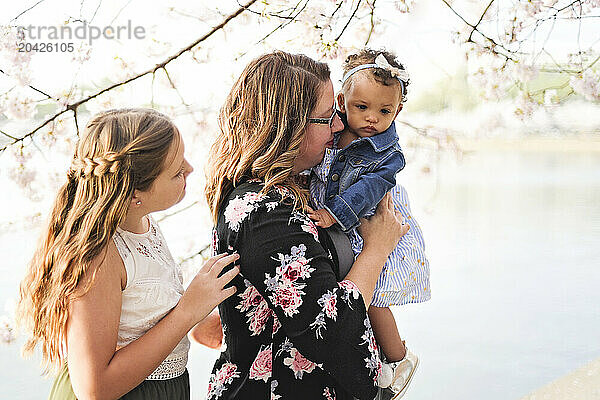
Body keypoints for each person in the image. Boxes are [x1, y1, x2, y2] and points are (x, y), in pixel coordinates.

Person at [204, 51, 409, 400]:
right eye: (328, 117)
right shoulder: (263, 214)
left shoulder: (295, 190)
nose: (341, 125)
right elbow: (327, 331)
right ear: (289, 125)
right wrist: (377, 248)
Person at [17, 108, 240, 400]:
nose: (190, 169)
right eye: (176, 172)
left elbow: (143, 311)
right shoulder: (99, 256)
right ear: (135, 195)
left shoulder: (145, 225)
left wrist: (199, 322)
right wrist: (186, 313)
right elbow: (95, 388)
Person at [307, 48, 431, 398]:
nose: (373, 118)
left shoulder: (387, 153)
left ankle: (399, 358)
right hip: (340, 222)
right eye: (362, 107)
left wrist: (335, 213)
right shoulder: (331, 130)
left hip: (368, 218)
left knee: (371, 295)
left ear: (398, 111)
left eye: (385, 111)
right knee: (345, 290)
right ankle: (373, 359)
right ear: (343, 102)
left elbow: (370, 187)